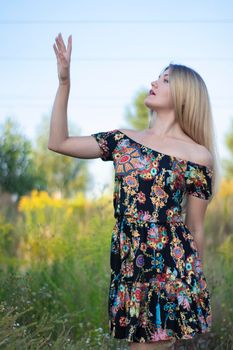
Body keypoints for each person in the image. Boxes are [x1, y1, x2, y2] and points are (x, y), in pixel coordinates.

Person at [49, 33, 220, 350]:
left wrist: (192, 288)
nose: (154, 83)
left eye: (165, 80)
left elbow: (195, 227)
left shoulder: (198, 156)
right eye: (158, 77)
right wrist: (64, 84)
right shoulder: (123, 140)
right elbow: (58, 143)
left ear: (183, 94)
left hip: (171, 266)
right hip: (130, 262)